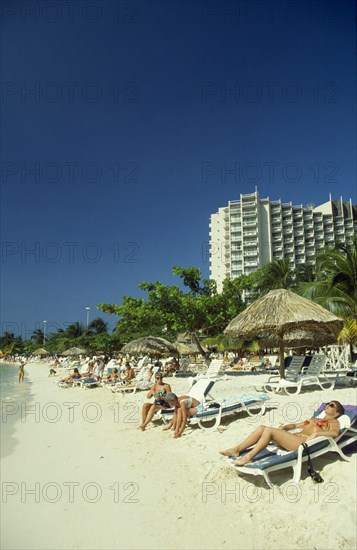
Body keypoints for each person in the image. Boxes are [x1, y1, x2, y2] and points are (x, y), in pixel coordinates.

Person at [220, 400, 345, 466]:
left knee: (268, 430)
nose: (328, 406)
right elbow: (296, 425)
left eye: (331, 405)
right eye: (328, 404)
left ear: (337, 413)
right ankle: (237, 449)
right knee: (261, 427)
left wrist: (317, 434)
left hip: (301, 443)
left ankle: (248, 457)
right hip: (293, 438)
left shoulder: (333, 422)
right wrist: (285, 428)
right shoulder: (314, 419)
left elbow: (334, 433)